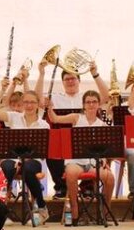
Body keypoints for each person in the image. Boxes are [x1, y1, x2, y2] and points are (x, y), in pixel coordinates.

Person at [34, 59, 109, 200]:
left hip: (84, 140)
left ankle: (87, 188)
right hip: (61, 138)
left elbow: (106, 96)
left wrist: (95, 74)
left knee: (91, 151)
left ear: (79, 80)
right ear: (62, 82)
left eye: (73, 78)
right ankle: (61, 187)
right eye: (67, 79)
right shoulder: (55, 97)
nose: (70, 81)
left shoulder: (87, 98)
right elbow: (38, 100)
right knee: (51, 149)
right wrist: (41, 74)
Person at [47, 90, 115, 225]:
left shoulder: (102, 124)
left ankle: (105, 212)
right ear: (83, 105)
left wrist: (104, 160)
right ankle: (74, 211)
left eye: (94, 102)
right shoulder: (76, 118)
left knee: (109, 178)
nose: (91, 104)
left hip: (94, 162)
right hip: (76, 161)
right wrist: (49, 107)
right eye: (88, 102)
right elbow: (55, 119)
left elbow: (105, 147)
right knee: (71, 173)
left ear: (98, 104)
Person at [0, 79, 49, 225]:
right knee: (6, 167)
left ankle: (42, 208)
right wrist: (3, 90)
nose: (29, 105)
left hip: (33, 161)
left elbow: (42, 152)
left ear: (37, 104)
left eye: (32, 102)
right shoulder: (13, 117)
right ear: (22, 104)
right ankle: (1, 211)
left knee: (27, 169)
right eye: (26, 102)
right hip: (13, 158)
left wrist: (24, 161)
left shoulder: (44, 125)